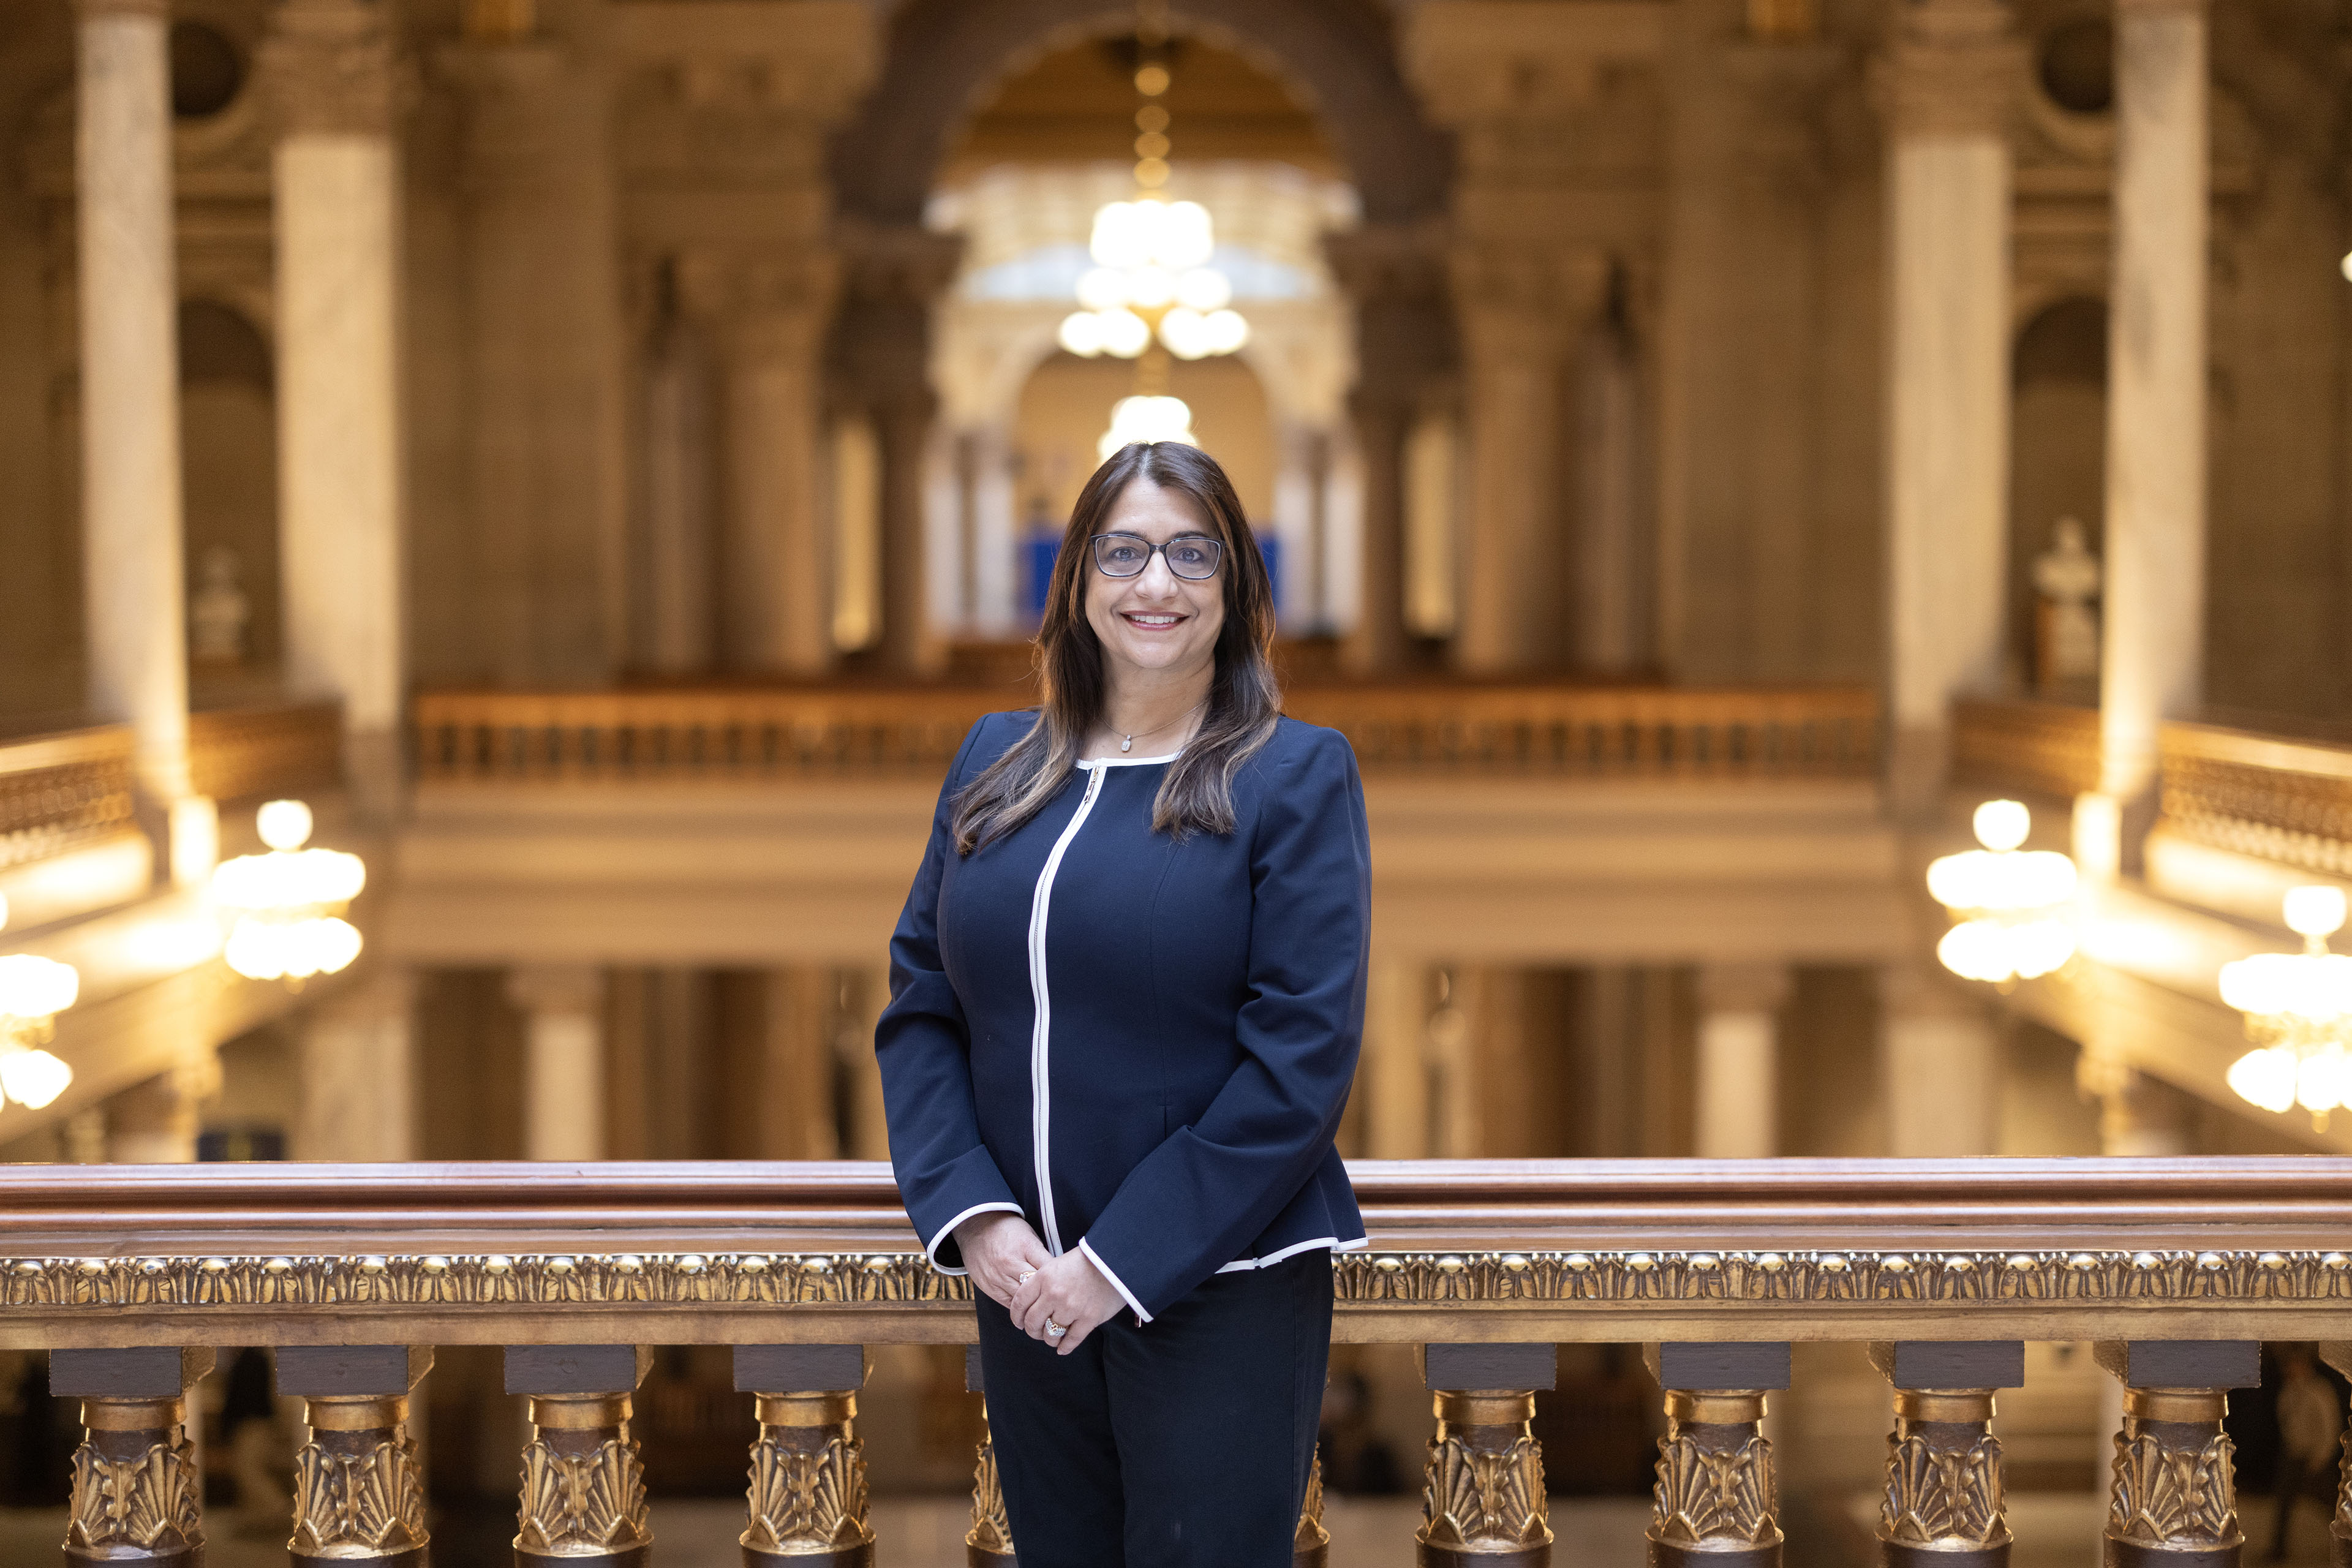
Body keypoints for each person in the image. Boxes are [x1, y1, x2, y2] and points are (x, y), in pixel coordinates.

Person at [877, 440, 1370, 1567]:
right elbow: (922, 1008)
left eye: (1194, 553)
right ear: (1079, 579)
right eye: (1127, 551)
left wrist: (1115, 1265)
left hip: (1215, 1284)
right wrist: (975, 1216)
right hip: (1026, 1289)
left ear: (1237, 586)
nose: (1158, 584)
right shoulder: (995, 761)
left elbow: (1300, 1059)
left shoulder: (1293, 775)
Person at [2271, 1345, 2343, 1561]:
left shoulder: (2319, 1391)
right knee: (2284, 1503)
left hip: (2314, 1457)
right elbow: (2286, 1422)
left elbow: (2329, 1426)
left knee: (2331, 1505)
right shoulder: (2289, 1392)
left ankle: (2345, 1543)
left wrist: (2321, 1457)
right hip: (2293, 1455)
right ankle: (2278, 1549)